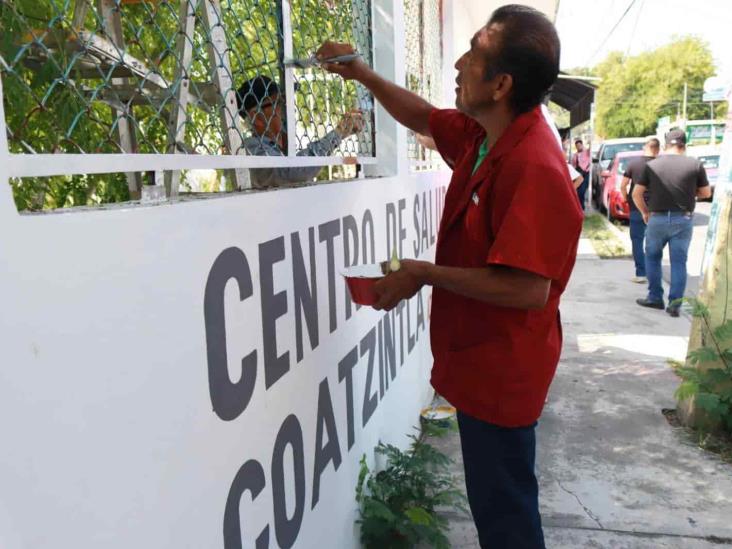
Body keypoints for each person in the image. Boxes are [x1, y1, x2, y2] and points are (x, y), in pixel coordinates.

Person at [317, 5, 583, 548]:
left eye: (474, 54)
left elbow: (528, 288)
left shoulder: (532, 165)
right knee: (497, 502)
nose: (459, 64)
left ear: (501, 83)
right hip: (478, 358)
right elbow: (424, 118)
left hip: (503, 368)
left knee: (505, 513)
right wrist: (363, 74)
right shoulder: (490, 133)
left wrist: (423, 273)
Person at [633, 129, 711, 317]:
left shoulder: (652, 165)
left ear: (666, 145)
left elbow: (636, 193)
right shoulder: (695, 165)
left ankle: (655, 298)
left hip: (656, 218)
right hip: (682, 219)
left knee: (652, 258)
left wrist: (645, 212)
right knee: (679, 262)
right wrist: (689, 193)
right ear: (684, 144)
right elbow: (706, 193)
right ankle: (675, 304)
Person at [236, 75, 363, 188]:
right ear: (257, 116)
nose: (286, 109)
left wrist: (345, 131)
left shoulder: (278, 145)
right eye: (278, 103)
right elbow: (292, 172)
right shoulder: (251, 147)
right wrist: (338, 132)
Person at [620, 137, 660, 283]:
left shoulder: (633, 164)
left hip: (636, 206)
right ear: (658, 150)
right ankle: (654, 272)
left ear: (645, 147)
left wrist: (626, 199)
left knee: (637, 240)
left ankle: (641, 273)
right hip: (656, 208)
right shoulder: (661, 165)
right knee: (655, 241)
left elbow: (623, 185)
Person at [571, 138, 591, 208]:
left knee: (582, 190)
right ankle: (581, 206)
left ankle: (581, 206)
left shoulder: (586, 152)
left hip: (586, 174)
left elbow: (590, 149)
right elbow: (573, 166)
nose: (579, 147)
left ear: (582, 145)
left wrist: (590, 142)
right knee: (579, 191)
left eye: (580, 145)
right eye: (577, 146)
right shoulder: (575, 155)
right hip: (579, 175)